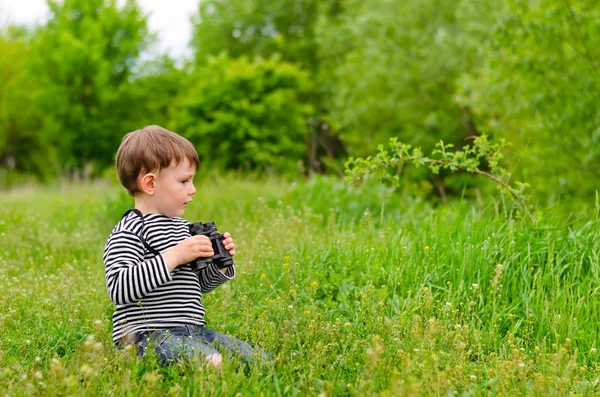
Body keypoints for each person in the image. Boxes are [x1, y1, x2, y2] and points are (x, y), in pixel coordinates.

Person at [103, 125, 264, 368]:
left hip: (193, 330)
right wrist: (175, 255)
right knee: (211, 361)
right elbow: (119, 288)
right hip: (146, 336)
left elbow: (196, 286)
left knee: (256, 359)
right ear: (150, 183)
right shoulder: (130, 230)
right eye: (184, 181)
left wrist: (219, 266)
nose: (193, 189)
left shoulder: (183, 228)